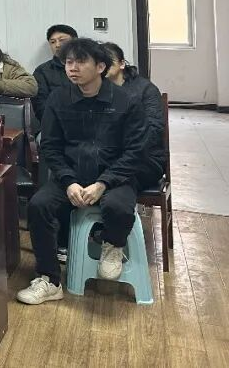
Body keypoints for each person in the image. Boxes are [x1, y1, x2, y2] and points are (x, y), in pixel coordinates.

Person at [16, 38, 148, 305]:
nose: (72, 68)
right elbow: (50, 147)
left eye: (80, 62)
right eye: (68, 62)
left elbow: (135, 151)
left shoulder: (126, 101)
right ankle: (49, 279)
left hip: (115, 177)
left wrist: (103, 183)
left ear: (100, 67)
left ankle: (113, 244)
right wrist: (68, 182)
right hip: (72, 176)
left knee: (118, 207)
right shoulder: (58, 99)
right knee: (39, 206)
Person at [103, 42, 166, 190]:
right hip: (107, 156)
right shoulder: (97, 90)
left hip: (145, 157)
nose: (104, 66)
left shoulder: (145, 89)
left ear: (122, 64)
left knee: (113, 179)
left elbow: (154, 129)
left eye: (108, 61)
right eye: (100, 62)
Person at [33, 24, 78, 122]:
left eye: (62, 40)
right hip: (55, 124)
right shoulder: (42, 71)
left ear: (75, 42)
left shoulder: (87, 67)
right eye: (53, 42)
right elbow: (40, 107)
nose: (57, 45)